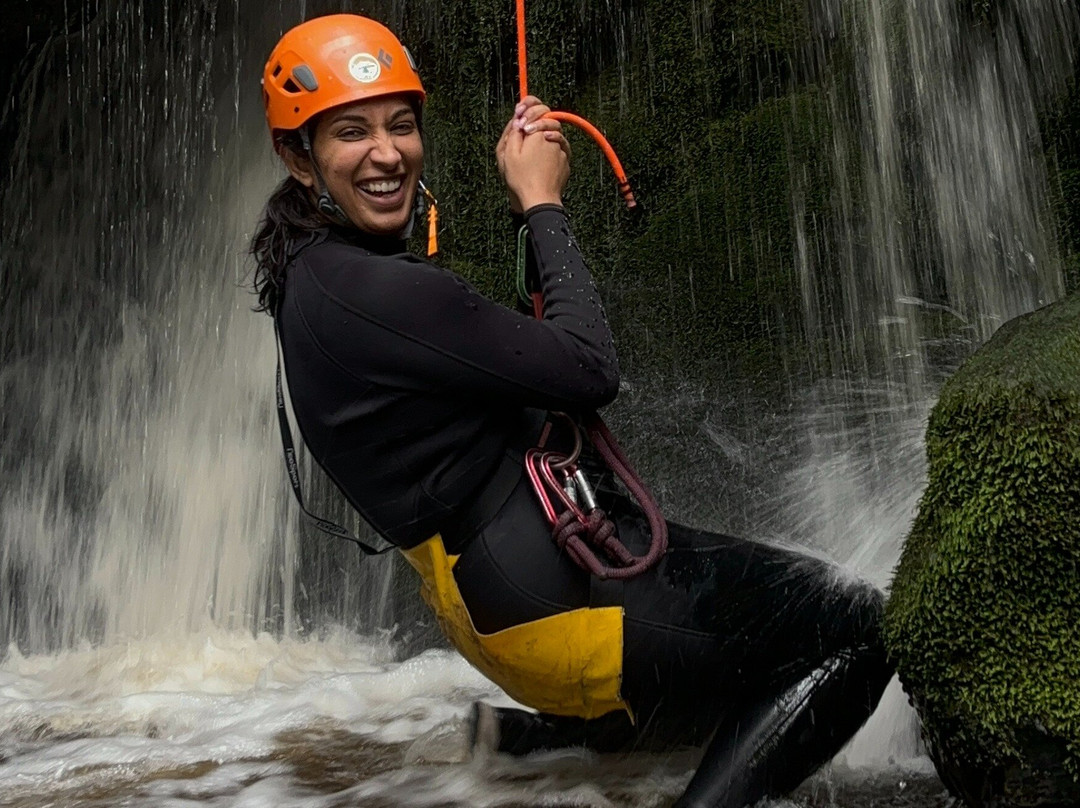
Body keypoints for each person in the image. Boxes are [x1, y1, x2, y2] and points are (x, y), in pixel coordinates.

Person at [252, 14, 893, 808]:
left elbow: (473, 352)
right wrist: (542, 202)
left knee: (733, 650)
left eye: (402, 126)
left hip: (499, 599)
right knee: (859, 627)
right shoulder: (375, 292)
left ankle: (530, 745)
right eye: (352, 132)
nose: (387, 153)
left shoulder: (314, 277)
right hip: (556, 601)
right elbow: (588, 369)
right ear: (296, 153)